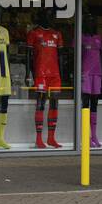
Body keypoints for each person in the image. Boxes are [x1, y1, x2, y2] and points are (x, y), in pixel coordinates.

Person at [26, 11, 64, 148]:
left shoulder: (57, 34)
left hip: (55, 75)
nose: (52, 18)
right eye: (49, 15)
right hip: (40, 74)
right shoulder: (34, 33)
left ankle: (51, 138)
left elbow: (60, 56)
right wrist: (28, 73)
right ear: (42, 16)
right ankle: (38, 139)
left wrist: (62, 74)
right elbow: (28, 55)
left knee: (54, 104)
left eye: (53, 16)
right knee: (40, 104)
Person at [81, 14, 102, 147]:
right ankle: (85, 136)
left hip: (97, 74)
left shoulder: (98, 38)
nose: (91, 23)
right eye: (88, 21)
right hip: (85, 74)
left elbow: (99, 56)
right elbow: (76, 57)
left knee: (95, 104)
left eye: (92, 21)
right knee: (85, 104)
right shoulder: (81, 38)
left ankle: (94, 135)